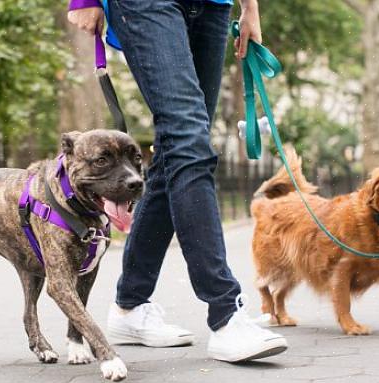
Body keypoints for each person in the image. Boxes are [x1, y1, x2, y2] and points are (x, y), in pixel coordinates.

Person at [67, 0, 288, 362]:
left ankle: (130, 306)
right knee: (188, 139)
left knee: (177, 148)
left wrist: (250, 7)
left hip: (214, 6)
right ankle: (226, 313)